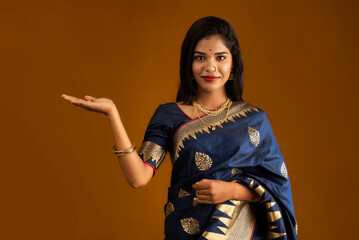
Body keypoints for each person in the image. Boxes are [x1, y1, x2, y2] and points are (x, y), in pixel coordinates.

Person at [61, 16, 297, 240]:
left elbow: (277, 185)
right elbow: (138, 177)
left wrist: (232, 192)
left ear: (233, 64)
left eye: (221, 58)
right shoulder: (169, 115)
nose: (210, 67)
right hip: (185, 229)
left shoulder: (254, 119)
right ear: (189, 63)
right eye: (200, 57)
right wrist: (112, 113)